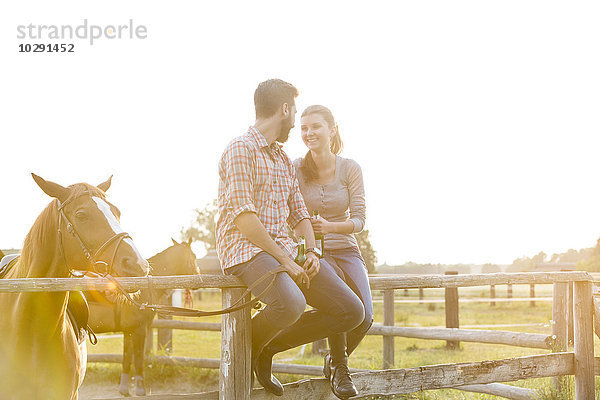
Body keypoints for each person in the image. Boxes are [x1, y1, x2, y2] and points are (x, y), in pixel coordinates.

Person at [216, 79, 365, 397]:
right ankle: (245, 345)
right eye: (294, 111)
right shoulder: (240, 149)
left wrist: (311, 251)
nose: (296, 121)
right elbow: (244, 219)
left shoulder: (282, 159)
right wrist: (285, 259)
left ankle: (265, 349)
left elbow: (298, 214)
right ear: (284, 109)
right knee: (291, 303)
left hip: (283, 248)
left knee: (352, 311)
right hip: (245, 247)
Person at [294, 105, 374, 399]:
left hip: (347, 249)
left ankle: (332, 359)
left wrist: (330, 226)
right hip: (314, 252)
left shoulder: (351, 168)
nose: (308, 133)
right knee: (340, 306)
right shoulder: (296, 169)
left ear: (332, 129)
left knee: (365, 317)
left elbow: (361, 220)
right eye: (303, 128)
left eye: (315, 127)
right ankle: (341, 368)